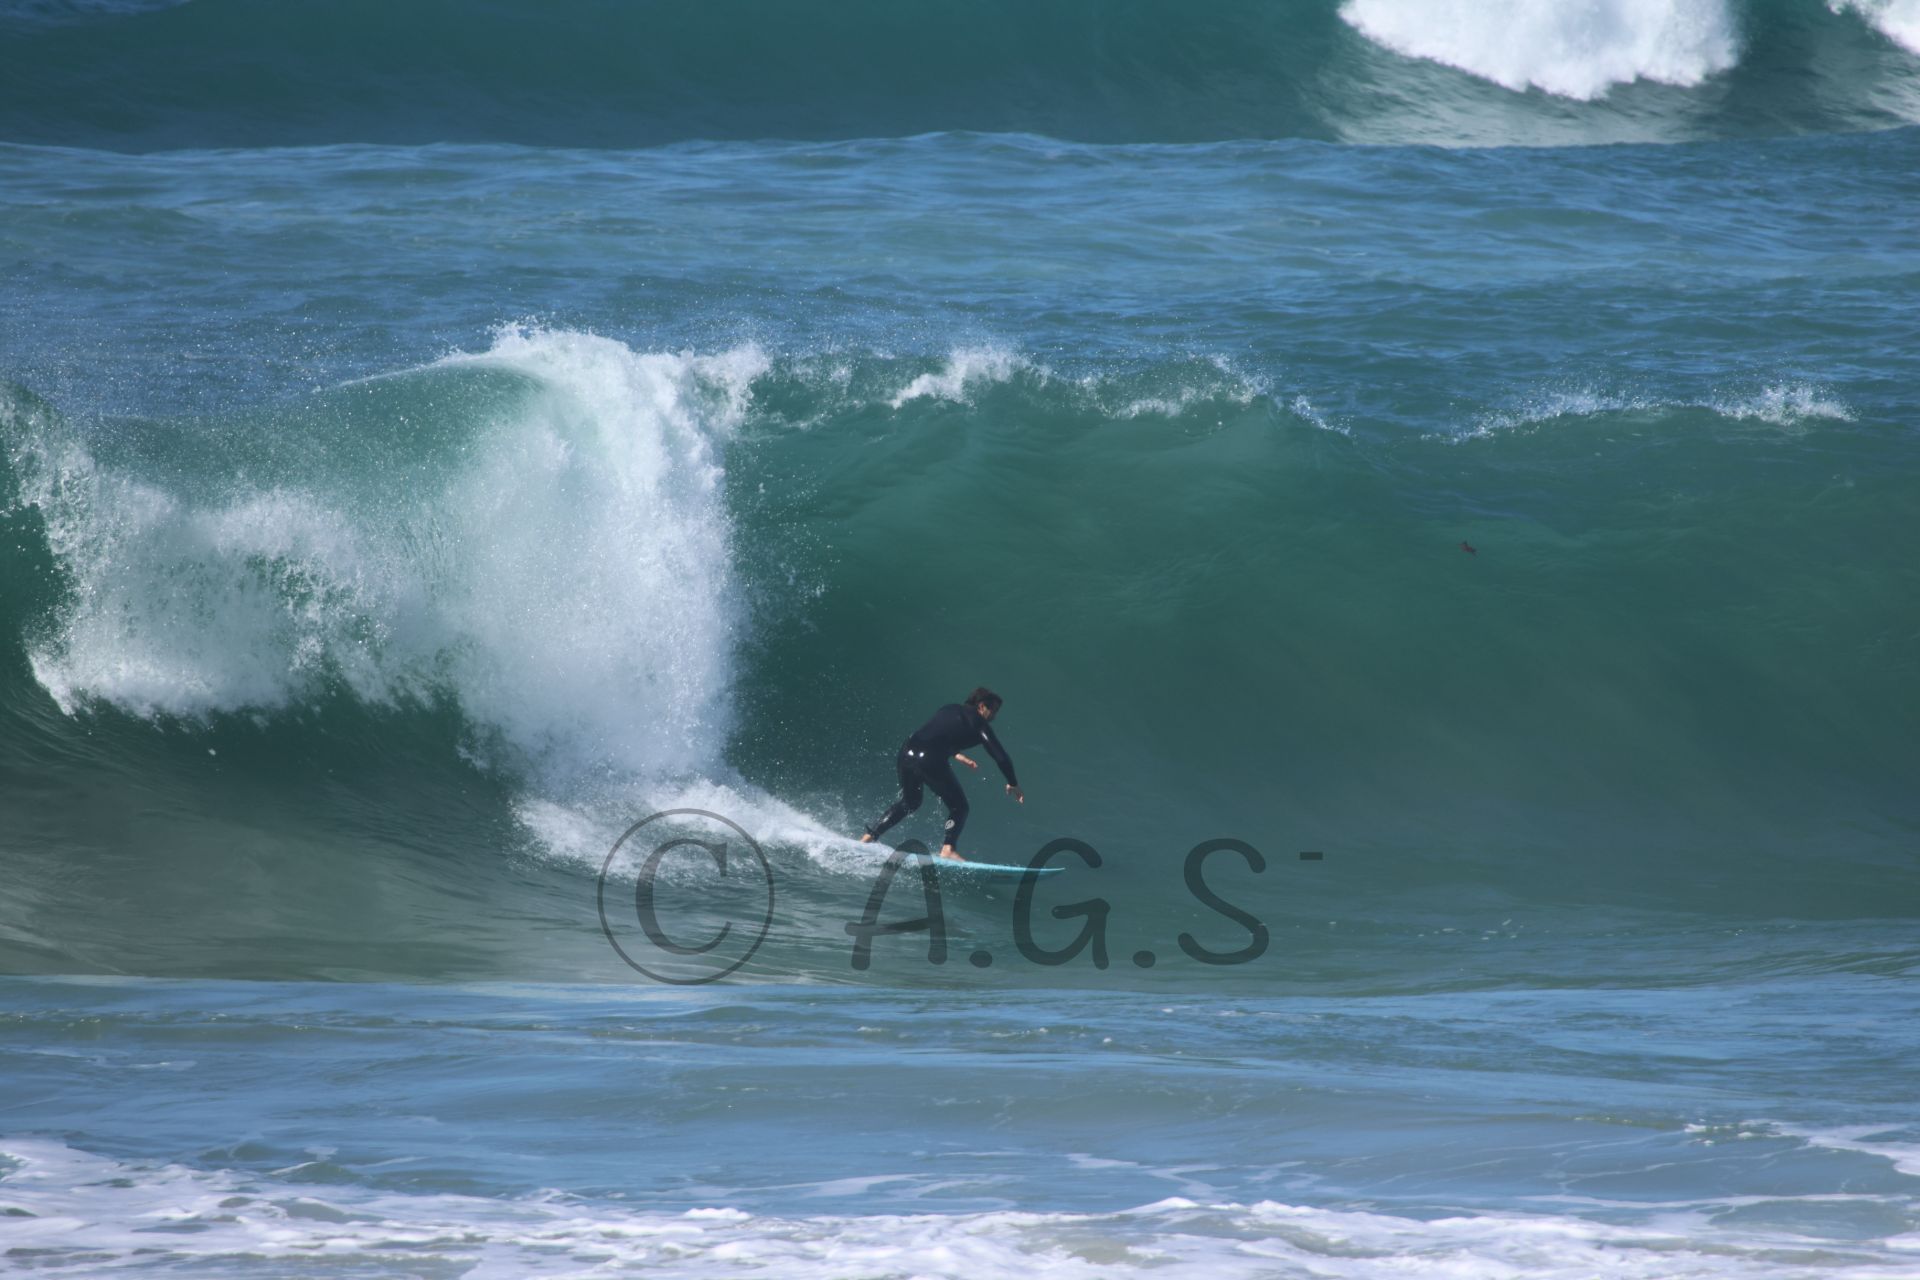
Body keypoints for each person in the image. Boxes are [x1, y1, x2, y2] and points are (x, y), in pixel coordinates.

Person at [860, 687, 1023, 861]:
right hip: (930, 759)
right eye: (994, 710)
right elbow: (1001, 757)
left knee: (910, 801)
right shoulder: (978, 723)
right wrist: (1012, 782)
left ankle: (868, 837)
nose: (994, 717)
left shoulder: (949, 708)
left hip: (907, 752)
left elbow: (937, 733)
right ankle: (948, 849)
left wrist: (956, 754)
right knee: (959, 807)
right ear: (982, 706)